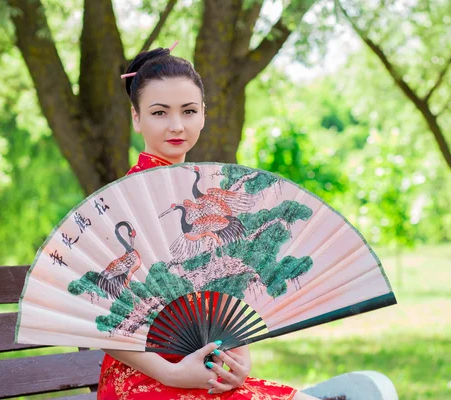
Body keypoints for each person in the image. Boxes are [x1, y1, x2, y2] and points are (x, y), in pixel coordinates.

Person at [97, 42, 319, 400]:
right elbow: (101, 319)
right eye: (159, 113)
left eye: (188, 111)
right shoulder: (118, 203)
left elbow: (225, 283)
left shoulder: (205, 191)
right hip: (144, 377)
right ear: (136, 117)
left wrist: (239, 358)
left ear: (203, 114)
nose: (176, 125)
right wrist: (173, 373)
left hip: (207, 371)